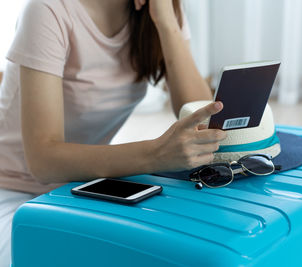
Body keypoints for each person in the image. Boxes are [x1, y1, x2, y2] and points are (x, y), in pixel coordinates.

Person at [0, 0, 227, 265]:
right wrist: (157, 153)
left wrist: (166, 23)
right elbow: (43, 162)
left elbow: (200, 115)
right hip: (11, 190)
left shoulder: (158, 9)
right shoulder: (48, 10)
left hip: (78, 185)